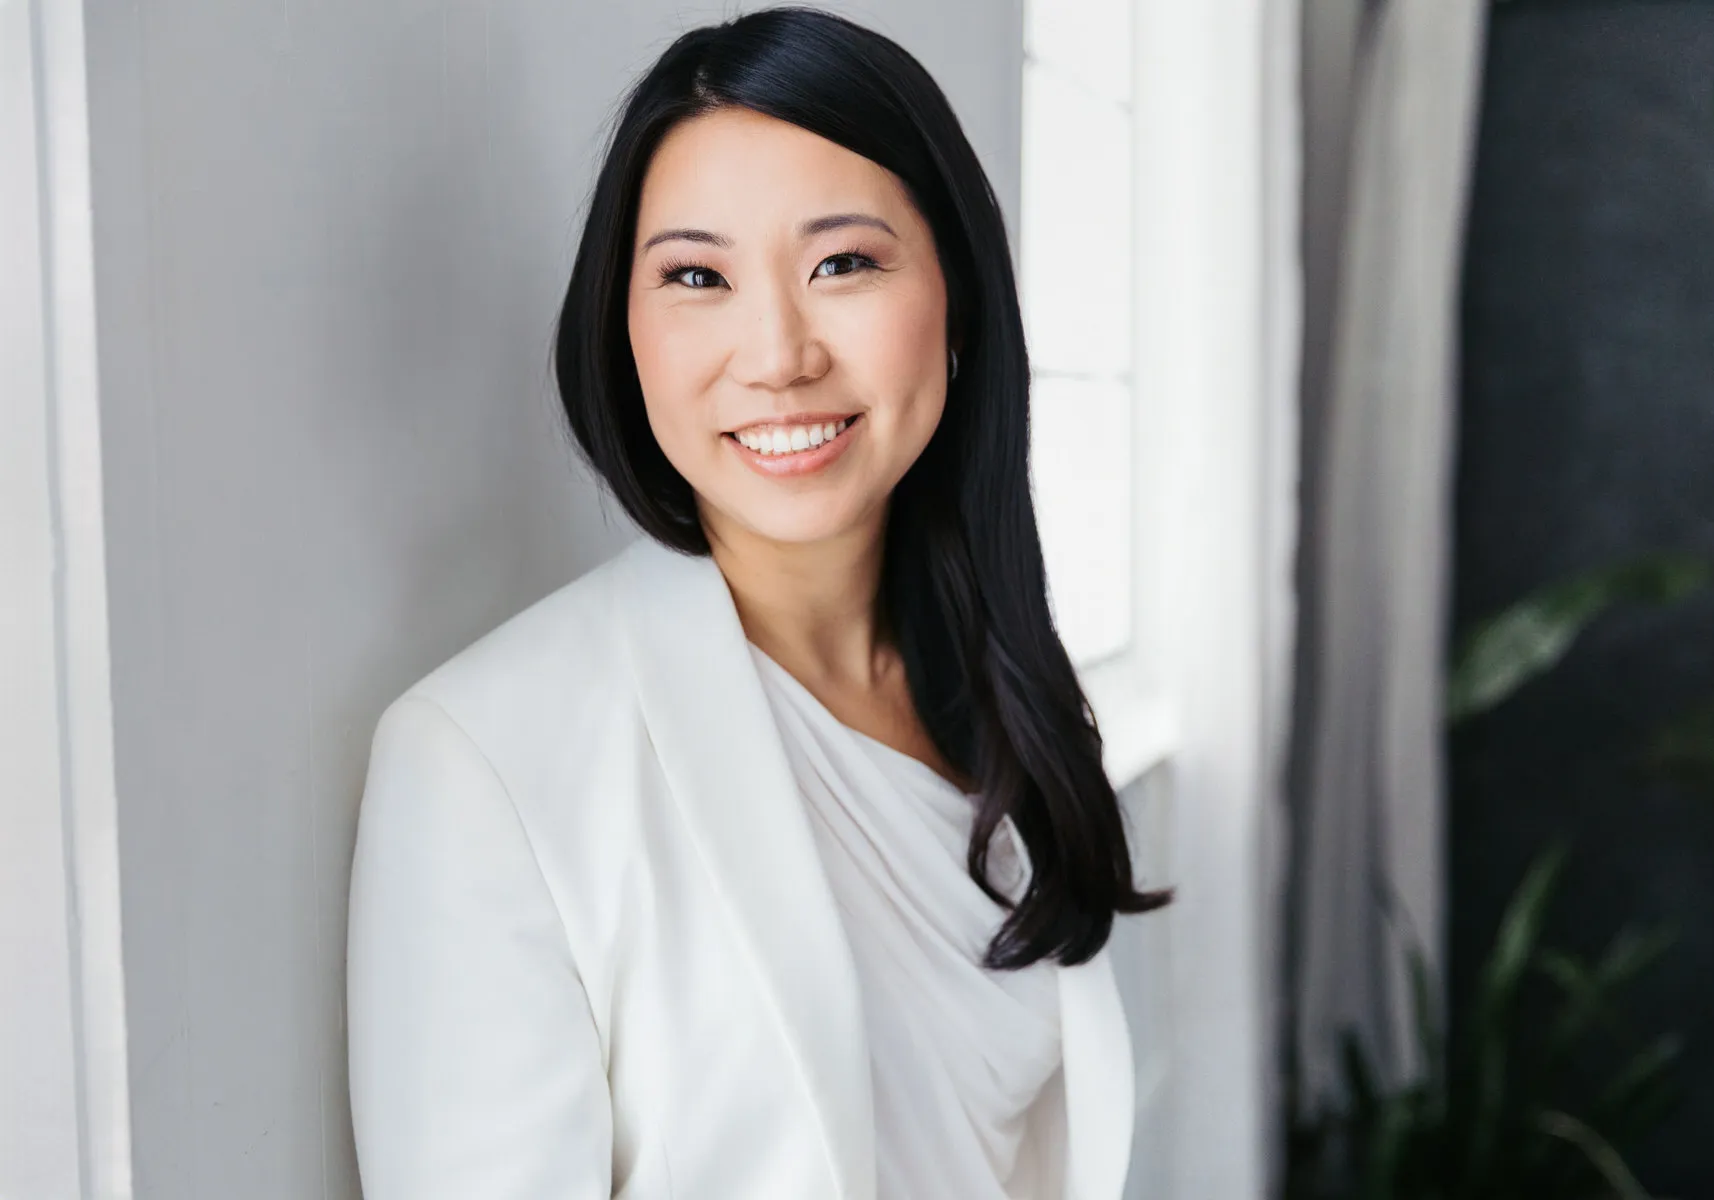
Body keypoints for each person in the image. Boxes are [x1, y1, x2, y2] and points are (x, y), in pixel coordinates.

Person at [345, 7, 1168, 1198]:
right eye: (697, 276)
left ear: (958, 296)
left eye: (843, 263)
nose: (777, 353)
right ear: (622, 328)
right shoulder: (482, 760)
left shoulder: (1003, 691)